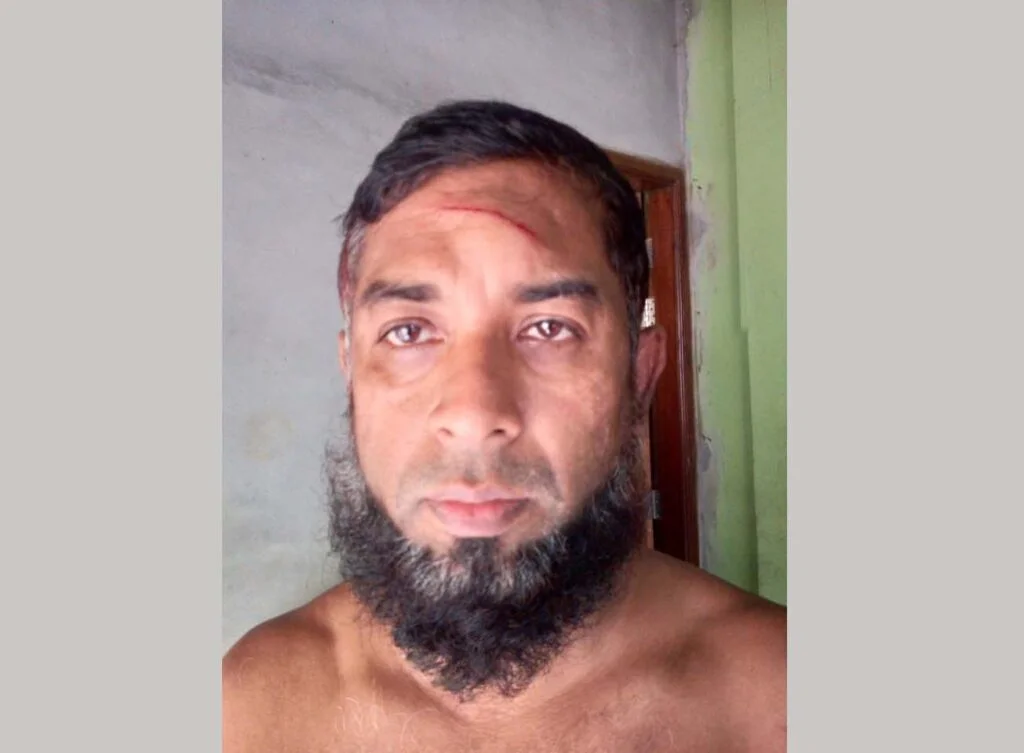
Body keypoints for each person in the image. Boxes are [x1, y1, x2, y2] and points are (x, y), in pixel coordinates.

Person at [222, 100, 786, 752]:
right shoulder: (248, 706)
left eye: (549, 328)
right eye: (408, 332)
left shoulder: (775, 693)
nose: (473, 414)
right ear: (351, 372)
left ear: (640, 373)